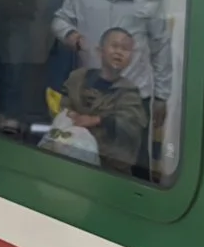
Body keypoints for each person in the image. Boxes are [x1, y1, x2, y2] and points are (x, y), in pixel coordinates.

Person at [51, 0, 172, 159]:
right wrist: (72, 36)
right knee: (88, 159)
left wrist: (161, 96)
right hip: (90, 94)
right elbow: (59, 20)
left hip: (134, 96)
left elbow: (160, 45)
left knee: (134, 162)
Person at [50, 26, 149, 175]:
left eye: (125, 49)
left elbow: (131, 124)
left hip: (108, 167)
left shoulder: (129, 92)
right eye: (114, 46)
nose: (119, 52)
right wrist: (69, 115)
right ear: (100, 50)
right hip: (68, 152)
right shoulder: (78, 78)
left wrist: (96, 120)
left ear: (130, 58)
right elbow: (64, 102)